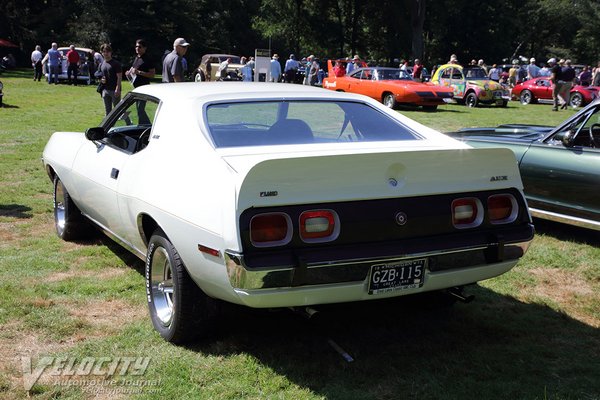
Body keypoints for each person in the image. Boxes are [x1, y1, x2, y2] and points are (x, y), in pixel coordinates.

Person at [98, 43, 123, 115]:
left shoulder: (116, 64)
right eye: (104, 51)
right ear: (101, 52)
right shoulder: (102, 64)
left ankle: (129, 124)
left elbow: (119, 77)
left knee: (119, 111)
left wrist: (117, 89)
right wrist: (101, 80)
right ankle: (107, 126)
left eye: (107, 51)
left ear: (111, 52)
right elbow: (99, 75)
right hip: (105, 90)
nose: (106, 53)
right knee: (107, 113)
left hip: (114, 90)